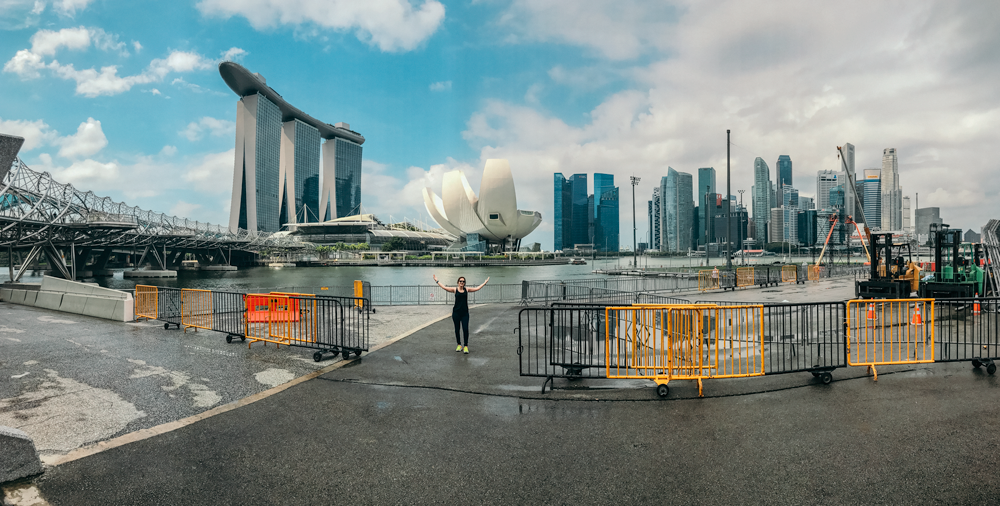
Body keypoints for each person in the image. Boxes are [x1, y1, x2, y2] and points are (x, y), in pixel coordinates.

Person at [433, 274, 489, 354]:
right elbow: (444, 287)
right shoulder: (455, 290)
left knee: (465, 329)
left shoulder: (467, 289)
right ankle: (459, 344)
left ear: (464, 283)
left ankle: (466, 346)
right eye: (460, 281)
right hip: (456, 313)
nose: (462, 282)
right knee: (457, 329)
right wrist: (437, 281)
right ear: (458, 282)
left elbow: (477, 288)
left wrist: (484, 283)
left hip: (465, 313)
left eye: (463, 281)